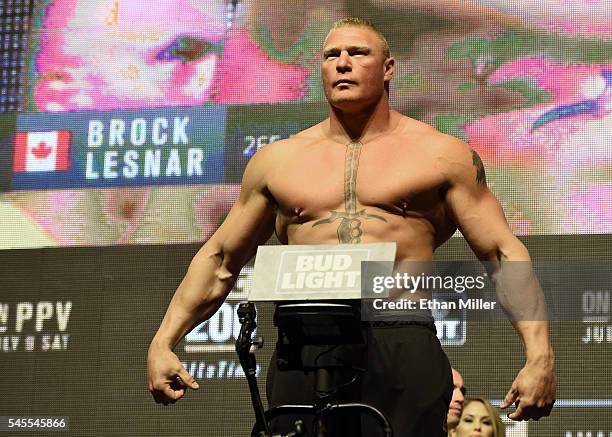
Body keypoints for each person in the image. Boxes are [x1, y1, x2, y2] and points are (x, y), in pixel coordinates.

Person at [147, 17, 556, 436]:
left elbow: (502, 254)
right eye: (331, 56)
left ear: (388, 68)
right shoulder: (277, 162)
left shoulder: (441, 155)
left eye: (357, 53)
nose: (342, 63)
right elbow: (221, 258)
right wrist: (165, 339)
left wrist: (539, 355)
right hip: (302, 341)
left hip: (400, 334)